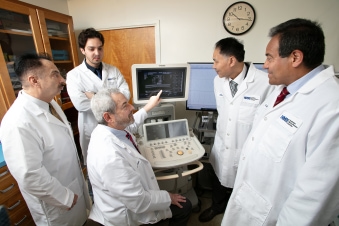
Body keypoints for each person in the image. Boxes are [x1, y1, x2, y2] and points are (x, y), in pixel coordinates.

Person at [221, 18, 339, 226]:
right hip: (248, 202)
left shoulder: (332, 107)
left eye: (269, 57)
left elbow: (314, 198)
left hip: (273, 216)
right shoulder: (282, 90)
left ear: (295, 57)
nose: (265, 65)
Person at [0, 53, 91, 225]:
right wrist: (64, 197)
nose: (62, 80)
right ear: (34, 80)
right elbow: (29, 175)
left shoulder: (50, 103)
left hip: (72, 186)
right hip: (57, 203)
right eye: (55, 74)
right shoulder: (17, 122)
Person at [86, 88, 192, 226]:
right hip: (129, 215)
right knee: (185, 206)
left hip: (131, 200)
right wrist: (168, 197)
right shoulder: (108, 156)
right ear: (108, 117)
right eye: (125, 105)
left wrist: (150, 105)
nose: (132, 107)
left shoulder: (112, 128)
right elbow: (139, 202)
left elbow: (132, 124)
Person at [198, 37, 273, 222]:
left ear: (231, 60)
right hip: (222, 145)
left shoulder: (265, 83)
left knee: (243, 188)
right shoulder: (218, 81)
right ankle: (216, 207)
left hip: (246, 150)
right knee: (218, 179)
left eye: (216, 60)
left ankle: (236, 216)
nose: (213, 66)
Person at [66, 28, 130, 165]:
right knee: (97, 166)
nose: (97, 53)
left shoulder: (113, 70)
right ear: (82, 50)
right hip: (92, 128)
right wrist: (114, 99)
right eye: (91, 49)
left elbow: (126, 96)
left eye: (100, 48)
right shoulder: (74, 76)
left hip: (117, 125)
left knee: (121, 163)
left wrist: (94, 96)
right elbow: (80, 104)